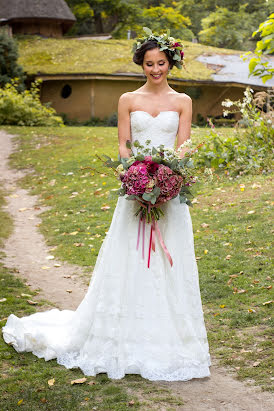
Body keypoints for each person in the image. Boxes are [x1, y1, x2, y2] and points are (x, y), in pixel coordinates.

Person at [2, 30, 211, 381]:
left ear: (170, 63)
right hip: (136, 190)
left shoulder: (183, 101)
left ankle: (171, 339)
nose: (155, 69)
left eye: (161, 63)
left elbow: (184, 145)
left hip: (171, 195)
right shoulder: (128, 98)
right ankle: (122, 336)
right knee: (129, 259)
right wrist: (139, 176)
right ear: (141, 65)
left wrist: (167, 177)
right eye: (149, 64)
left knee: (170, 261)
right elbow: (124, 145)